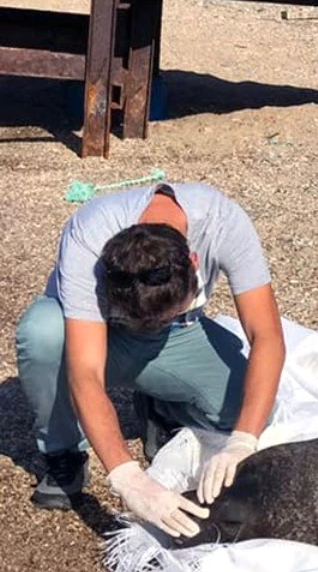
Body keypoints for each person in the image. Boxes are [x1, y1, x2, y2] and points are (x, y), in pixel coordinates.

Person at [14, 181, 285, 539]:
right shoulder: (89, 233)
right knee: (43, 334)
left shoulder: (223, 222)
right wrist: (127, 478)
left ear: (192, 261)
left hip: (176, 337)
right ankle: (64, 451)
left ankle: (161, 405)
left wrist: (242, 441)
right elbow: (86, 371)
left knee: (252, 410)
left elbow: (267, 336)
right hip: (98, 336)